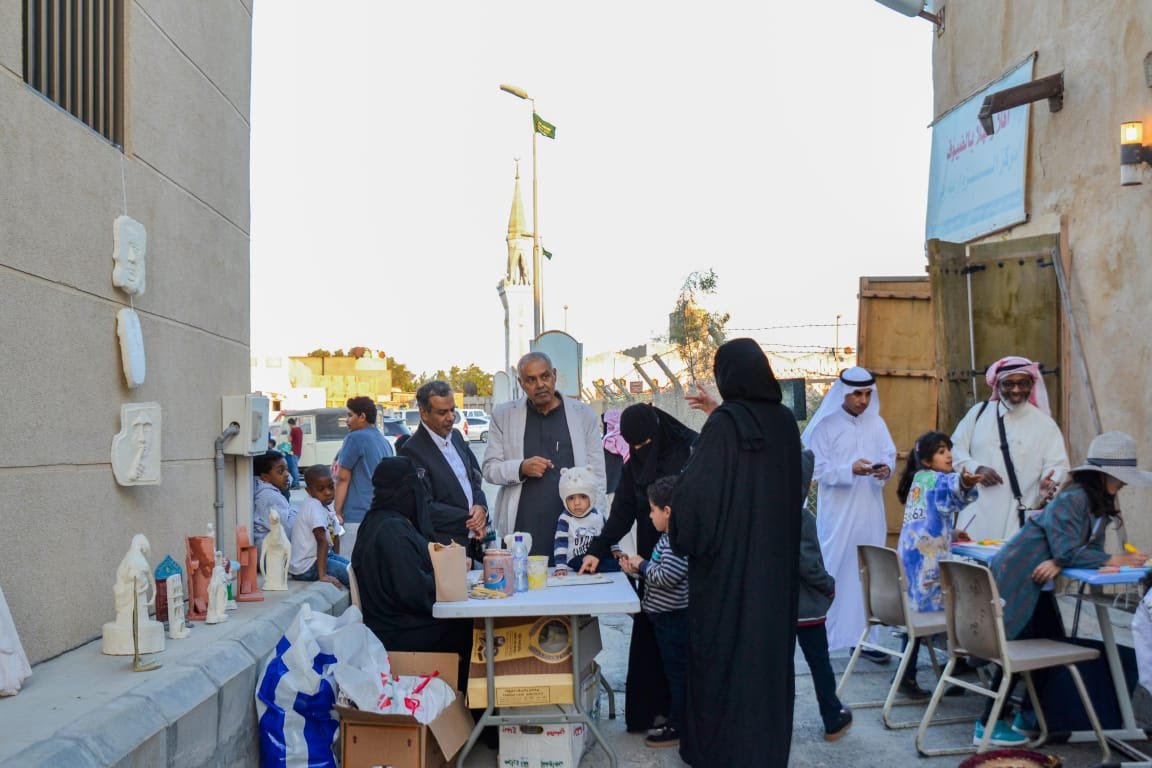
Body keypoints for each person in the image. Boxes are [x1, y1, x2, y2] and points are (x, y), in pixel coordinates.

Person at [670, 338, 803, 767]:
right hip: (775, 573)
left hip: (729, 575)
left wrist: (683, 529)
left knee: (724, 661)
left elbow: (697, 499)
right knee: (766, 662)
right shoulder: (784, 422)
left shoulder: (726, 424)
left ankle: (720, 752)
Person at [977, 431, 1152, 746]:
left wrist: (1058, 561)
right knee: (1019, 650)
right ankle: (987, 723)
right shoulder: (1074, 499)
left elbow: (1079, 549)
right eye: (1122, 477)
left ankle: (1029, 716)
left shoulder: (1096, 503)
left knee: (1047, 647)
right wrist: (1113, 559)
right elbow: (1070, 550)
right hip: (1020, 577)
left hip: (1038, 580)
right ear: (1104, 475)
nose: (1125, 484)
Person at [579, 402, 697, 734]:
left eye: (645, 444)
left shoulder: (689, 451)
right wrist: (596, 551)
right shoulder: (634, 465)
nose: (641, 451)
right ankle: (653, 714)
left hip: (684, 563)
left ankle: (682, 718)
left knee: (679, 649)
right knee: (653, 639)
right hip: (651, 563)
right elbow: (622, 514)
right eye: (635, 446)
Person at [802, 366, 897, 660]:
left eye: (868, 394)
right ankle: (830, 637)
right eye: (857, 394)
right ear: (843, 392)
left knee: (869, 572)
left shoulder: (877, 423)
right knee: (836, 570)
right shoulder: (825, 426)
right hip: (838, 516)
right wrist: (849, 470)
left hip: (870, 512)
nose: (863, 400)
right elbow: (816, 469)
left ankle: (868, 641)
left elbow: (890, 457)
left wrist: (885, 470)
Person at [352, 457, 471, 685]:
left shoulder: (379, 520)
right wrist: (450, 580)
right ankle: (473, 701)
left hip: (390, 622)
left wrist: (449, 565)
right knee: (472, 629)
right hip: (399, 631)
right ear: (405, 489)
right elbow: (412, 590)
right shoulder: (392, 530)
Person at [483, 352, 605, 560]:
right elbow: (489, 469)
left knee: (572, 579)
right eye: (531, 380)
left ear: (554, 375)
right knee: (522, 579)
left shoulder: (583, 415)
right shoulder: (504, 416)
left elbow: (598, 477)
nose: (540, 385)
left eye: (545, 376)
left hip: (575, 529)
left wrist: (597, 526)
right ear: (521, 383)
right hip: (522, 529)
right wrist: (520, 468)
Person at [893, 431, 981, 697]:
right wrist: (965, 483)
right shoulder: (938, 479)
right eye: (941, 451)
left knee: (916, 613)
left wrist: (950, 534)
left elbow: (928, 517)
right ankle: (958, 665)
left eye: (948, 450)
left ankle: (908, 673)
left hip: (910, 555)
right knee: (953, 608)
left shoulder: (919, 480)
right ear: (927, 460)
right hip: (927, 561)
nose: (949, 455)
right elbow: (953, 489)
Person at [950, 356, 1069, 542]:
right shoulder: (979, 413)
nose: (1016, 390)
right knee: (971, 559)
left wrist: (1049, 481)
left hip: (1019, 519)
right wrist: (976, 468)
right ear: (998, 385)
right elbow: (955, 449)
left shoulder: (1045, 425)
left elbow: (1058, 465)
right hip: (977, 516)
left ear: (1031, 385)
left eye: (1023, 383)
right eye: (1008, 384)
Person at [622, 475, 689, 749]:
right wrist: (638, 569)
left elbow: (667, 576)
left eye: (652, 510)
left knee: (677, 675)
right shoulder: (666, 539)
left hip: (674, 620)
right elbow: (658, 573)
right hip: (663, 619)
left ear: (667, 511)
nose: (649, 516)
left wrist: (643, 565)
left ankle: (679, 725)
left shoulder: (676, 542)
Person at [796, 447, 854, 741]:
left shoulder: (767, 514)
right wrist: (828, 586)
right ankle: (833, 718)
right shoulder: (802, 518)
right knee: (819, 663)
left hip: (778, 607)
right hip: (807, 608)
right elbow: (808, 564)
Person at [399, 381, 488, 547]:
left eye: (452, 410)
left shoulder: (456, 437)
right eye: (442, 412)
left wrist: (481, 507)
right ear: (423, 413)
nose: (451, 417)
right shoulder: (411, 451)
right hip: (443, 547)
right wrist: (471, 520)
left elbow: (474, 479)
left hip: (474, 543)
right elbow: (424, 507)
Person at [334, 396, 393, 554]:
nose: (347, 421)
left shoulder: (354, 438)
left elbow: (342, 478)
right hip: (381, 516)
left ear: (362, 416)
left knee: (350, 565)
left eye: (350, 415)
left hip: (356, 517)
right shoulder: (383, 441)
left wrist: (337, 512)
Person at [288, 465, 349, 588]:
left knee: (353, 568)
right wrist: (323, 576)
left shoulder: (327, 503)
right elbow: (322, 541)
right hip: (306, 566)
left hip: (322, 556)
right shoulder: (313, 506)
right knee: (349, 575)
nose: (328, 492)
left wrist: (336, 559)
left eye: (331, 487)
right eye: (321, 489)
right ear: (309, 491)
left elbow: (336, 536)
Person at [552, 465, 619, 575]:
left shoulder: (598, 515)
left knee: (610, 558)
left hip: (597, 555)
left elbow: (609, 533)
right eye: (571, 498)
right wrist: (560, 567)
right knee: (587, 563)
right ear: (564, 499)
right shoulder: (565, 519)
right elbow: (560, 544)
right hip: (576, 558)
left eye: (583, 497)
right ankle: (614, 566)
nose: (577, 503)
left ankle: (618, 564)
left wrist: (615, 549)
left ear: (591, 496)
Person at [252, 450, 296, 555]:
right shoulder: (270, 496)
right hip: (273, 556)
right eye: (280, 471)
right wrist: (295, 513)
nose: (287, 474)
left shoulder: (260, 488)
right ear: (265, 477)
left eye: (287, 469)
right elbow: (287, 531)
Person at [288, 417, 304, 488]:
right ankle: (295, 483)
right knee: (295, 467)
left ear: (290, 424)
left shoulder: (293, 430)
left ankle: (296, 483)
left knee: (293, 468)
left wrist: (289, 432)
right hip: (298, 451)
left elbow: (289, 440)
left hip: (293, 451)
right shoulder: (299, 429)